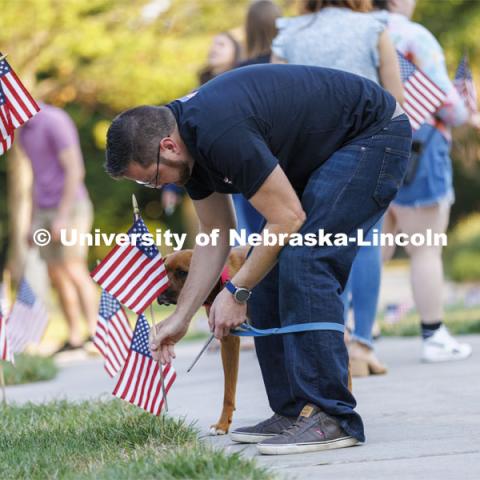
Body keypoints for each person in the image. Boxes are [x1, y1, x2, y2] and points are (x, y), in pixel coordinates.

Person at [105, 64, 411, 454]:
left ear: (167, 147)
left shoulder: (219, 132)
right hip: (327, 149)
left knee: (306, 257)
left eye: (151, 177)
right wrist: (181, 318)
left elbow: (288, 218)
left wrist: (235, 290)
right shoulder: (188, 150)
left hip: (373, 133)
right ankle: (293, 411)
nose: (156, 186)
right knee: (265, 265)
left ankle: (332, 416)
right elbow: (216, 234)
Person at [271, 0, 403, 376]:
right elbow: (397, 100)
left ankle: (334, 341)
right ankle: (362, 344)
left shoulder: (289, 33)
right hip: (366, 145)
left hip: (308, 152)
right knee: (365, 245)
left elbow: (275, 100)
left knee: (318, 247)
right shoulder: (373, 28)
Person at [373, 0, 480, 362]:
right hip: (420, 148)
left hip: (367, 149)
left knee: (374, 247)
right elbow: (446, 102)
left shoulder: (358, 29)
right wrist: (467, 111)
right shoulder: (413, 36)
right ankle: (433, 335)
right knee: (425, 246)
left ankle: (357, 334)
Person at [20, 103, 97, 353]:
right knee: (56, 273)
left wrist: (62, 217)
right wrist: (32, 221)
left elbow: (76, 169)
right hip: (43, 210)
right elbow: (35, 176)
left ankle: (97, 333)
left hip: (71, 206)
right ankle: (75, 336)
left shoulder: (54, 120)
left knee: (74, 269)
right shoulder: (22, 131)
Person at [161, 31, 242, 216]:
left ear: (235, 52)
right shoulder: (195, 93)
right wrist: (171, 188)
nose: (213, 48)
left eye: (221, 44)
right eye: (213, 44)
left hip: (241, 170)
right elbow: (181, 140)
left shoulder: (241, 85)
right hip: (211, 176)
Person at [232, 0, 282, 235]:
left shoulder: (238, 72)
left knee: (253, 236)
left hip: (250, 159)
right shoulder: (289, 65)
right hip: (283, 156)